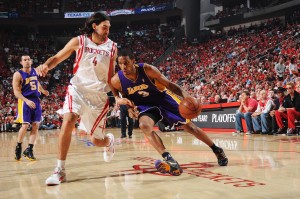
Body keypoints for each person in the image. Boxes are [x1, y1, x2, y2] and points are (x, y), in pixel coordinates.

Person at [110, 49, 228, 176]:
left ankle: (216, 149)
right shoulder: (116, 80)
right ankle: (169, 159)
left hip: (163, 99)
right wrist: (127, 108)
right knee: (144, 126)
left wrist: (187, 97)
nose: (123, 67)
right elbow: (118, 93)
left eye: (126, 63)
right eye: (120, 64)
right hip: (145, 105)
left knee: (189, 127)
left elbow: (171, 85)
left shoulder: (147, 69)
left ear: (133, 61)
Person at [36, 12, 118, 186]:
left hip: (98, 96)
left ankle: (108, 141)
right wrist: (45, 66)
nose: (107, 31)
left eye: (109, 28)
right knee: (69, 119)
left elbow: (111, 75)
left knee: (96, 140)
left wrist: (118, 97)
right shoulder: (79, 41)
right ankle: (60, 170)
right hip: (78, 89)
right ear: (94, 26)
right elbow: (57, 57)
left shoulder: (112, 47)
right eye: (105, 27)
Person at [13, 55, 49, 161]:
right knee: (25, 126)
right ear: (21, 62)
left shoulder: (34, 71)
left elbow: (36, 82)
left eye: (28, 59)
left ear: (31, 61)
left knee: (36, 125)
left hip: (36, 100)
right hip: (25, 100)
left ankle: (29, 149)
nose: (27, 61)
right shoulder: (18, 74)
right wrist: (26, 101)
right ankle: (18, 148)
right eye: (25, 60)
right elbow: (16, 92)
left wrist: (43, 91)